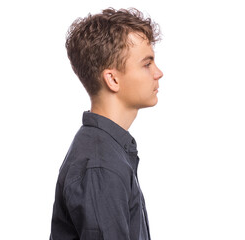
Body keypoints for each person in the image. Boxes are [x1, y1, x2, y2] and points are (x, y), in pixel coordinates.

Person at [50, 7, 163, 240]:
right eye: (147, 63)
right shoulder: (102, 165)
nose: (158, 73)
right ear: (112, 79)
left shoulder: (108, 151)